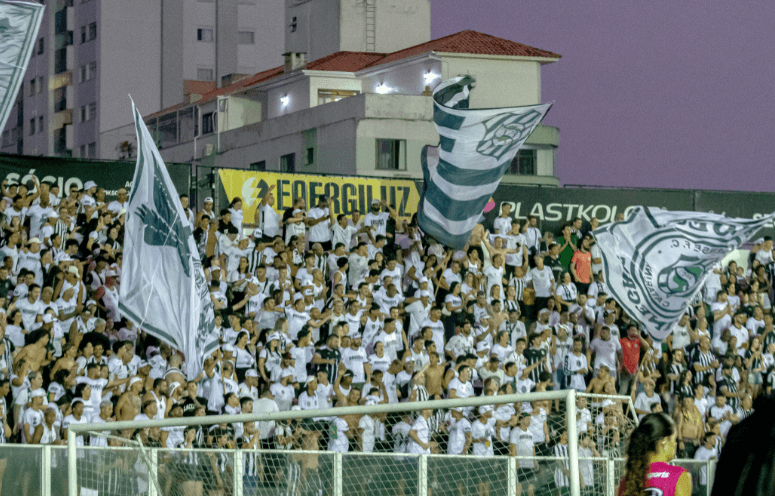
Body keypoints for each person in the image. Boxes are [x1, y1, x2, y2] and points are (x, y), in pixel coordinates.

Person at [617, 412, 691, 496]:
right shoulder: (679, 477)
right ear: (664, 441)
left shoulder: (628, 480)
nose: (675, 444)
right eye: (674, 439)